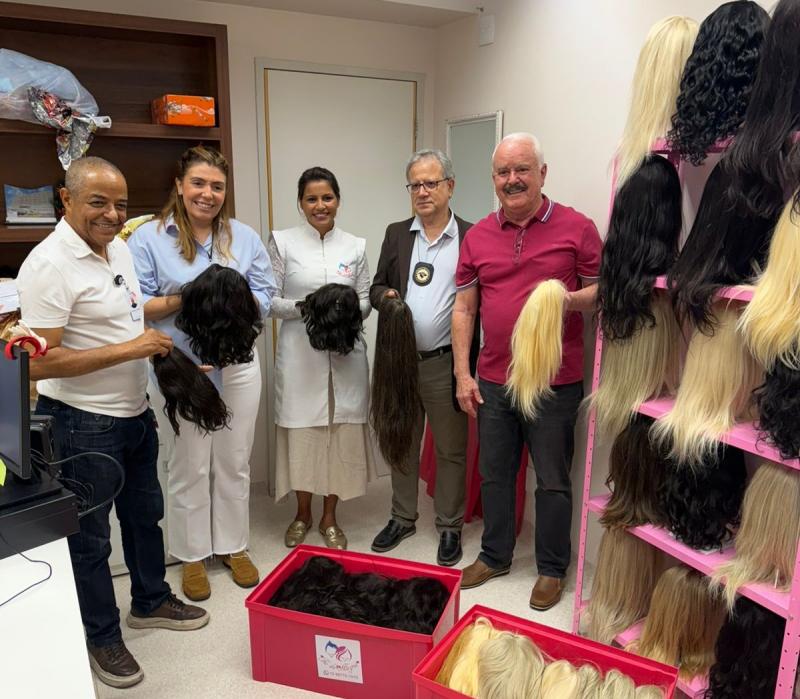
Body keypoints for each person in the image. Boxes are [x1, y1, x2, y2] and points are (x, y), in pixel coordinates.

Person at [16, 156, 209, 689]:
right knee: (91, 540)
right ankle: (102, 637)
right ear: (67, 200)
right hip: (79, 424)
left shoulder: (118, 245)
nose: (111, 213)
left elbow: (127, 311)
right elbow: (37, 359)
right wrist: (133, 347)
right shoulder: (49, 264)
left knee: (146, 518)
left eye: (120, 203)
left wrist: (183, 304)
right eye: (98, 202)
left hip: (132, 414)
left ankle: (148, 601)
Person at [452, 133, 602, 610]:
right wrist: (463, 373)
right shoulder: (477, 236)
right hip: (494, 378)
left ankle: (552, 567)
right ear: (493, 179)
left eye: (522, 169)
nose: (512, 179)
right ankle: (495, 554)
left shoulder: (577, 227)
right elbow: (463, 308)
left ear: (542, 173)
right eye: (502, 172)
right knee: (495, 473)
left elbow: (602, 293)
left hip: (555, 380)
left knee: (553, 478)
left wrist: (562, 298)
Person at [127, 146, 275, 602]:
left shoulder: (244, 238)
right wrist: (193, 295)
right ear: (179, 185)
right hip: (180, 367)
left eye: (217, 186)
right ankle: (192, 554)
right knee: (189, 463)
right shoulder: (148, 239)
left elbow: (265, 296)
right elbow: (139, 305)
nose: (207, 194)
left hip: (238, 365)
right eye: (199, 183)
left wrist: (231, 300)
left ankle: (232, 545)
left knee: (234, 459)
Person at [369, 148, 478, 567]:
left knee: (451, 448)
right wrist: (387, 297)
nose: (422, 191)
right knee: (401, 441)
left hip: (445, 362)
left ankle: (449, 525)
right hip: (399, 362)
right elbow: (377, 286)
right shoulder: (397, 233)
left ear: (450, 186)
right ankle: (402, 516)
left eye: (431, 182)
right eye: (415, 184)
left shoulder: (471, 235)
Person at [269, 166, 374, 551]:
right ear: (301, 203)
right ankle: (302, 514)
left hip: (346, 358)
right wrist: (313, 307)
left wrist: (345, 310)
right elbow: (269, 301)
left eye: (327, 197)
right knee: (304, 438)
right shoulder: (282, 243)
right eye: (311, 198)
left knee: (338, 437)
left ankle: (330, 517)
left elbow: (364, 301)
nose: (320, 205)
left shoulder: (356, 245)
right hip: (301, 359)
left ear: (338, 201)